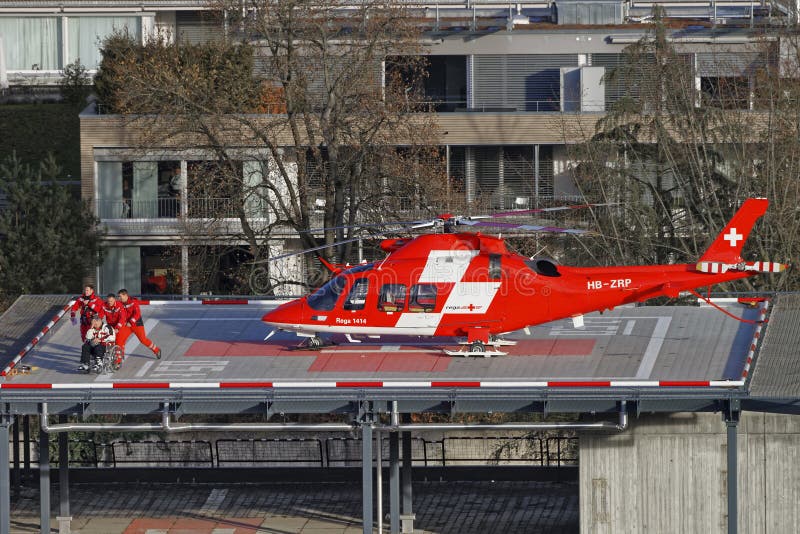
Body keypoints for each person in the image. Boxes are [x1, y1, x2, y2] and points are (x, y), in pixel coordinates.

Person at [116, 289, 161, 359]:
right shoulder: (120, 303)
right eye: (118, 297)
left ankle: (156, 350)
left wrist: (131, 322)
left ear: (125, 295)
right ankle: (119, 357)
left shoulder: (133, 302)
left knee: (143, 340)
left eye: (120, 296)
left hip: (137, 324)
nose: (119, 298)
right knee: (120, 339)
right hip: (127, 325)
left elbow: (137, 314)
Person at [102, 293, 127, 367]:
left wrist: (117, 328)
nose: (110, 303)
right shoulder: (104, 305)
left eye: (111, 301)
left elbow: (122, 318)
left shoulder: (119, 305)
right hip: (110, 326)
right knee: (109, 341)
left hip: (119, 326)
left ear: (114, 300)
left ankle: (118, 362)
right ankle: (109, 357)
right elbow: (100, 314)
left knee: (118, 343)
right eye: (108, 301)